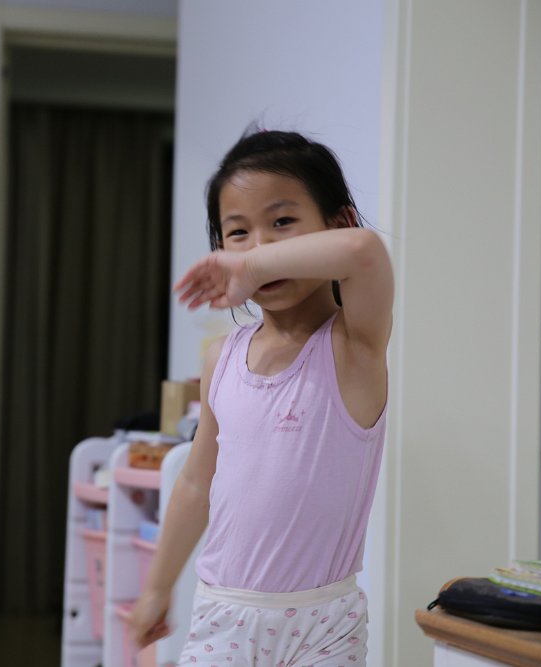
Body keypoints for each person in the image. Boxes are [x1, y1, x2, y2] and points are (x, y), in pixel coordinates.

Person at [128, 129, 393, 666]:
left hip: (324, 628)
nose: (260, 246)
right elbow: (196, 483)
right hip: (223, 617)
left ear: (337, 222)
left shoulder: (353, 348)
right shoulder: (221, 358)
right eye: (238, 233)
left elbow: (364, 252)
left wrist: (251, 266)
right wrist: (157, 586)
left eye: (283, 222)